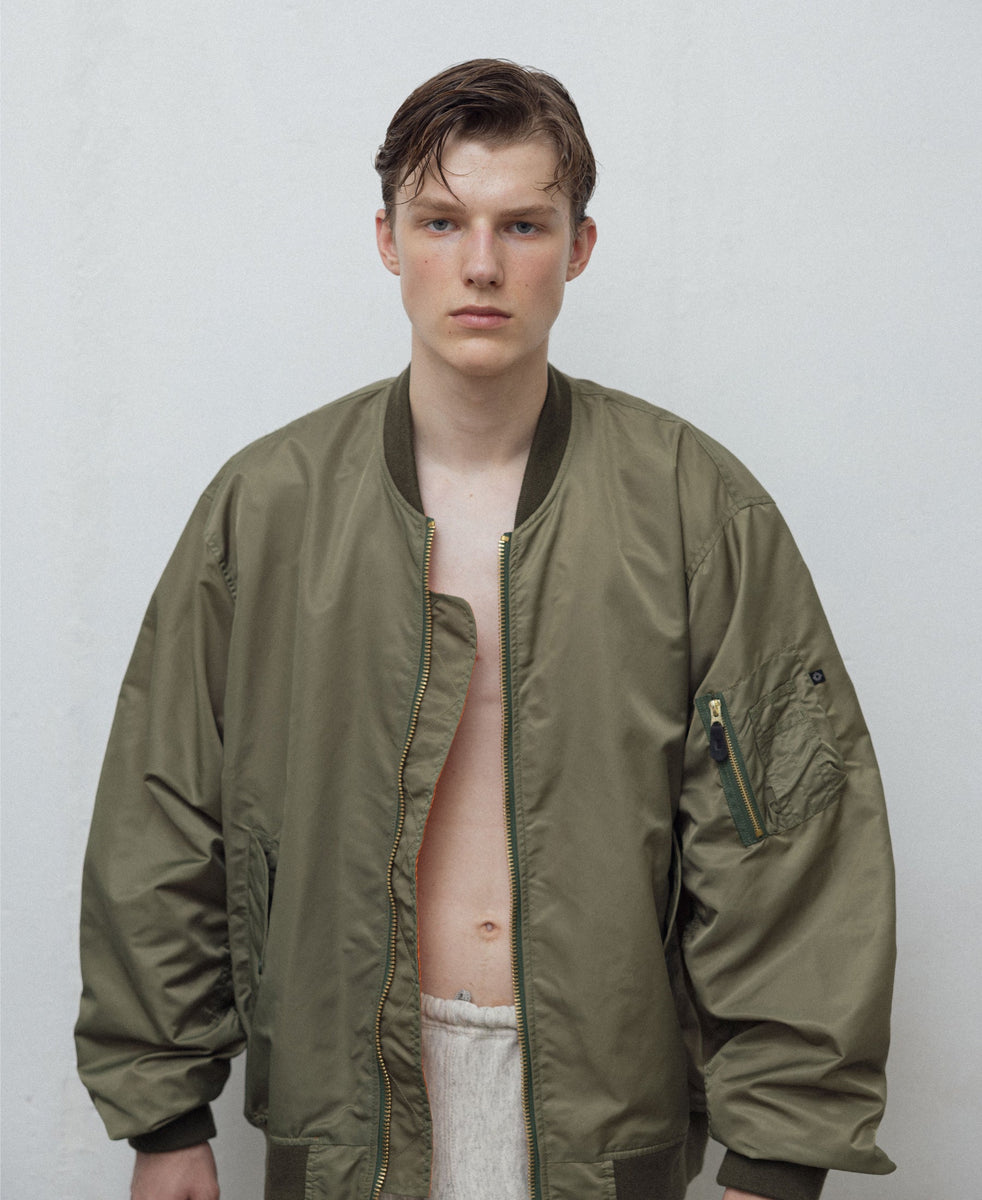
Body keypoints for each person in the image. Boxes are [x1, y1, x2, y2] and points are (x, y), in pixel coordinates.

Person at [75, 59, 896, 1200]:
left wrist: (778, 1153)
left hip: (606, 1122)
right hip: (345, 1119)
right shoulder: (264, 512)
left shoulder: (693, 511)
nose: (479, 264)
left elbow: (790, 841)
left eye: (522, 224)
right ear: (386, 239)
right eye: (440, 221)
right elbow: (164, 809)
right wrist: (164, 1114)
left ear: (579, 246)